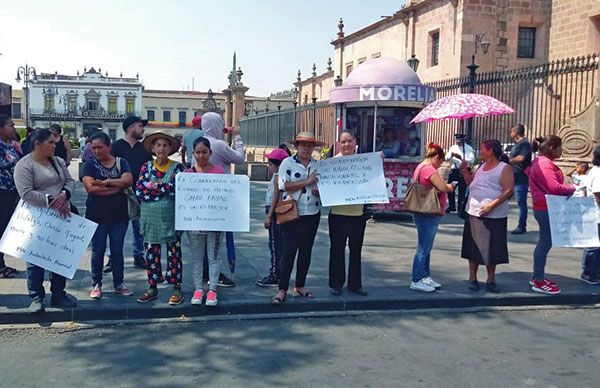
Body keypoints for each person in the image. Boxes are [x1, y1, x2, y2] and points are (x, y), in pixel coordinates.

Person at [14, 128, 77, 312]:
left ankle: (58, 294)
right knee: (35, 258)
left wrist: (64, 195)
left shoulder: (57, 162)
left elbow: (69, 181)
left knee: (59, 256)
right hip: (36, 218)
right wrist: (52, 200)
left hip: (60, 216)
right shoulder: (24, 165)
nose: (54, 145)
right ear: (37, 144)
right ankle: (36, 297)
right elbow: (26, 193)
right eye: (50, 142)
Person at [271, 132, 323, 304]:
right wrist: (307, 182)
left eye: (309, 146)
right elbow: (283, 185)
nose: (306, 149)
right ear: (297, 147)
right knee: (288, 252)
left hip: (312, 213)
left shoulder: (318, 165)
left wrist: (318, 191)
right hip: (293, 214)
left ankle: (300, 285)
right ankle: (282, 288)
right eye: (303, 145)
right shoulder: (288, 163)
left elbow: (325, 187)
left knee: (306, 251)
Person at [81, 132, 135, 300]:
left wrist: (105, 182)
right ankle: (96, 283)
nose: (96, 151)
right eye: (94, 148)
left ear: (108, 147)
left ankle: (119, 283)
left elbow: (127, 181)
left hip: (119, 215)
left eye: (100, 147)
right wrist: (115, 187)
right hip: (96, 215)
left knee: (117, 250)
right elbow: (91, 188)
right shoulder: (89, 165)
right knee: (98, 250)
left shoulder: (121, 162)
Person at [135, 131, 185, 305]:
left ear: (170, 148)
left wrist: (157, 186)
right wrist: (165, 188)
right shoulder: (146, 166)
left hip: (171, 216)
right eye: (158, 145)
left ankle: (176, 288)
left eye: (165, 145)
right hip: (150, 217)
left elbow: (179, 191)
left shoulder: (178, 168)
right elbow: (140, 190)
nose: (161, 148)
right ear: (153, 148)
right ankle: (152, 286)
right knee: (151, 252)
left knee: (174, 252)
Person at [459, 139, 514, 293]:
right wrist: (464, 171)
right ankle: (472, 277)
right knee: (473, 247)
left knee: (492, 247)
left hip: (494, 214)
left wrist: (492, 205)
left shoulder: (504, 168)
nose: (480, 151)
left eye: (482, 149)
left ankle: (491, 278)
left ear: (490, 151)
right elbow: (471, 183)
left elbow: (508, 190)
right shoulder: (480, 166)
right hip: (474, 211)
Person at [201, 112, 245, 287]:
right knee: (216, 239)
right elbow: (239, 158)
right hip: (220, 196)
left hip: (203, 196)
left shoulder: (201, 142)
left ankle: (206, 272)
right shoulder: (217, 144)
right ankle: (214, 274)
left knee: (205, 239)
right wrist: (238, 137)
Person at [528, 135, 575, 294]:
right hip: (545, 207)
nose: (562, 150)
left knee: (544, 241)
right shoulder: (545, 164)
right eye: (560, 147)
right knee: (545, 242)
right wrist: (573, 188)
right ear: (551, 148)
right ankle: (538, 280)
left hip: (544, 206)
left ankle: (537, 276)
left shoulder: (541, 162)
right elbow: (554, 187)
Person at [410, 143, 456, 292]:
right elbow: (442, 187)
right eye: (440, 161)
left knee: (426, 247)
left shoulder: (420, 167)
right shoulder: (429, 169)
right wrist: (450, 186)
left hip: (422, 212)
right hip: (428, 213)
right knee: (423, 247)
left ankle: (424, 276)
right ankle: (416, 279)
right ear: (436, 157)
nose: (440, 165)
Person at [185, 137, 225, 306]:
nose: (201, 155)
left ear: (210, 152)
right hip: (194, 224)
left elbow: (225, 198)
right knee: (197, 257)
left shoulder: (219, 172)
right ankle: (198, 288)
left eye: (204, 152)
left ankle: (213, 290)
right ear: (193, 153)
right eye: (198, 152)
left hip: (214, 224)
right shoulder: (187, 175)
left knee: (214, 257)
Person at [110, 116, 153, 270]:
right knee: (116, 227)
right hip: (119, 193)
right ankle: (112, 257)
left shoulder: (145, 149)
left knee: (139, 227)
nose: (143, 129)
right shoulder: (116, 147)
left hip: (140, 194)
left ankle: (138, 255)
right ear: (130, 128)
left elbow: (150, 169)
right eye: (140, 126)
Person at [328, 131, 368, 296]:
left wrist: (377, 164)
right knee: (337, 249)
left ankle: (355, 284)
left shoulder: (364, 162)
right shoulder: (332, 163)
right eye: (343, 142)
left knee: (356, 250)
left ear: (355, 142)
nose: (346, 145)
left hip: (358, 214)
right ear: (339, 144)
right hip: (337, 213)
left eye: (349, 141)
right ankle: (336, 283)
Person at [256, 145, 291, 287]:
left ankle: (275, 273)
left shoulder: (278, 178)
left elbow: (276, 198)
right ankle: (279, 272)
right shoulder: (279, 177)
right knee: (278, 244)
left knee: (275, 245)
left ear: (277, 166)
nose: (268, 167)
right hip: (276, 211)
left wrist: (269, 216)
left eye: (270, 164)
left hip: (275, 212)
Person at [0, 114, 21, 279]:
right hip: (2, 191)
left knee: (5, 228)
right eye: (10, 125)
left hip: (11, 191)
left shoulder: (9, 145)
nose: (13, 128)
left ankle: (2, 264)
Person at [508, 124, 532, 234]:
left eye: (511, 131)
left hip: (521, 177)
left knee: (521, 202)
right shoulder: (517, 144)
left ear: (516, 132)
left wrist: (507, 161)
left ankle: (522, 226)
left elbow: (520, 158)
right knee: (504, 198)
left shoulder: (524, 144)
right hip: (513, 176)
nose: (510, 134)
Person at [582, 147, 600, 284]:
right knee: (594, 245)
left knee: (594, 244)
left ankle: (592, 271)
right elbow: (598, 194)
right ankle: (589, 273)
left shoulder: (593, 170)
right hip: (596, 213)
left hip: (593, 212)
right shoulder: (598, 172)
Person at [445, 133, 474, 213]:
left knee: (462, 189)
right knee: (450, 189)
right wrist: (451, 156)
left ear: (463, 140)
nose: (458, 142)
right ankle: (452, 206)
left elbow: (472, 160)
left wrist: (462, 158)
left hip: (463, 170)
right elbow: (446, 158)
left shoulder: (468, 148)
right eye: (457, 141)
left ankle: (460, 207)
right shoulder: (453, 147)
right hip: (454, 170)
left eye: (460, 141)